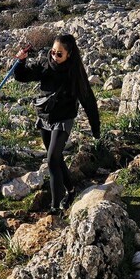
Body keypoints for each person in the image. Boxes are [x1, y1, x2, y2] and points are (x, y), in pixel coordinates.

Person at [14, 34, 100, 214]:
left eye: (59, 54)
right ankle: (71, 190)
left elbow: (88, 101)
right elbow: (22, 77)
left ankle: (55, 207)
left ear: (69, 54)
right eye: (53, 52)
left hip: (63, 119)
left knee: (52, 158)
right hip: (45, 118)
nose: (54, 56)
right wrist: (21, 62)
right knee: (56, 158)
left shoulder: (75, 73)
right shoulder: (45, 65)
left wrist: (95, 128)